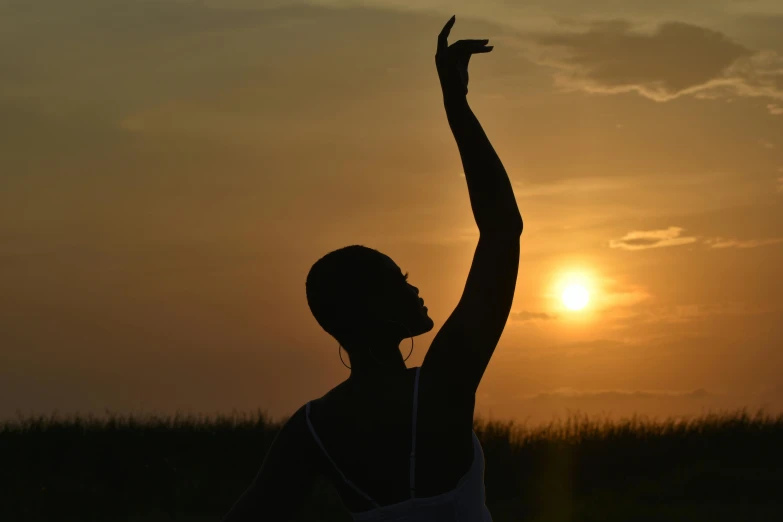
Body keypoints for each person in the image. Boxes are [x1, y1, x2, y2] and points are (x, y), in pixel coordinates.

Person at [222, 15, 522, 522]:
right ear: (374, 309)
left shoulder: (313, 428)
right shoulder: (442, 386)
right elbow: (501, 232)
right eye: (398, 281)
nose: (415, 288)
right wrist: (457, 106)